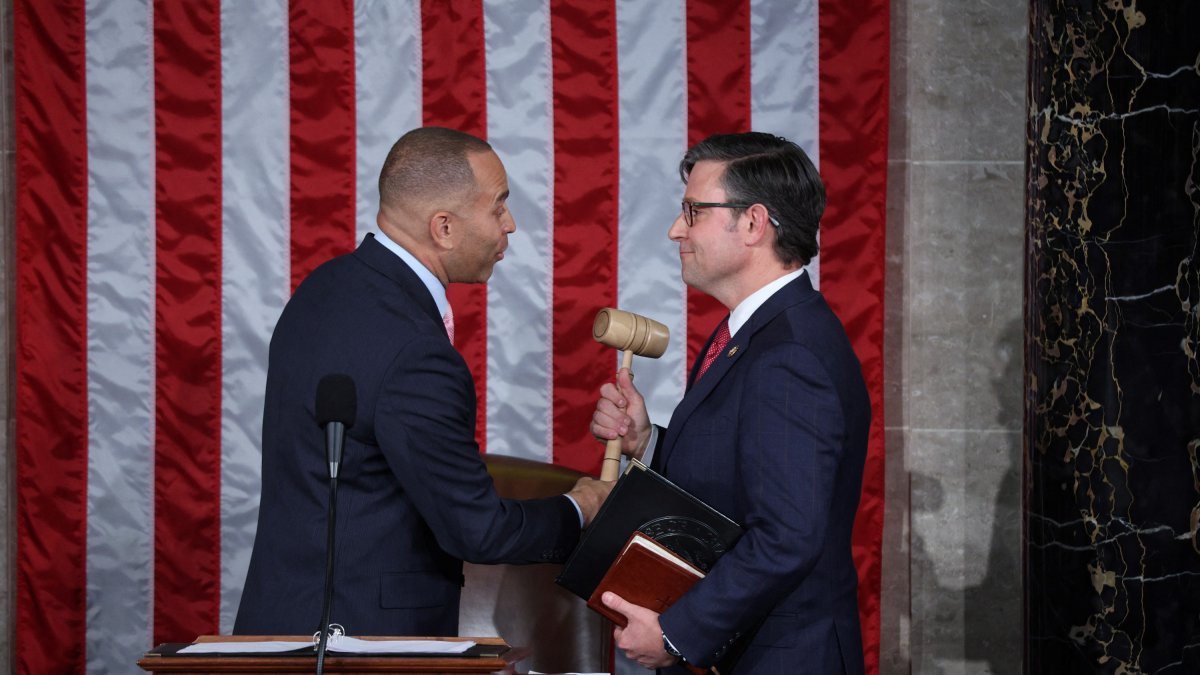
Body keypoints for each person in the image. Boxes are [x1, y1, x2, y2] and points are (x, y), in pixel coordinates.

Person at [236, 126, 611, 637]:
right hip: (363, 649)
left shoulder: (325, 288)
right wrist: (582, 507)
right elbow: (478, 531)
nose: (511, 224)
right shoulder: (415, 351)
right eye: (498, 205)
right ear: (444, 228)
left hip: (280, 623)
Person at [591, 132, 870, 673]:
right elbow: (743, 478)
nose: (677, 230)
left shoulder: (791, 352)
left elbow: (788, 537)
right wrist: (647, 440)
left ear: (752, 223)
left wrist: (675, 632)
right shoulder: (755, 332)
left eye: (693, 211)